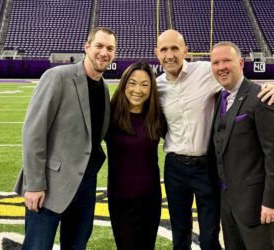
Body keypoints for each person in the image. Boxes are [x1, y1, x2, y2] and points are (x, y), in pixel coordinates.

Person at [154, 29, 274, 250]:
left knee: (209, 236)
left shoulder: (206, 70)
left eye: (175, 48)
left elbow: (237, 82)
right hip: (174, 168)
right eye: (164, 49)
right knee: (180, 233)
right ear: (157, 53)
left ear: (186, 51)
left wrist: (269, 87)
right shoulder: (157, 86)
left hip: (206, 167)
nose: (170, 54)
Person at [13, 27, 117, 250]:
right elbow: (34, 131)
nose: (104, 52)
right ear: (86, 47)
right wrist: (34, 185)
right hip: (50, 185)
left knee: (77, 245)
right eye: (99, 46)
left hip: (86, 184)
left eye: (110, 48)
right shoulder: (58, 76)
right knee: (37, 246)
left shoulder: (104, 88)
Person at [210, 41, 274, 250]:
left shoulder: (261, 97)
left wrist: (272, 201)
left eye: (227, 60)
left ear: (241, 63)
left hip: (256, 205)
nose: (221, 66)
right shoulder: (219, 98)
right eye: (215, 62)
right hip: (228, 205)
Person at [106, 62, 165, 250]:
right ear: (124, 84)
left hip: (150, 198)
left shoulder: (156, 116)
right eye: (132, 83)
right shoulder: (110, 115)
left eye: (145, 84)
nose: (137, 90)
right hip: (121, 199)